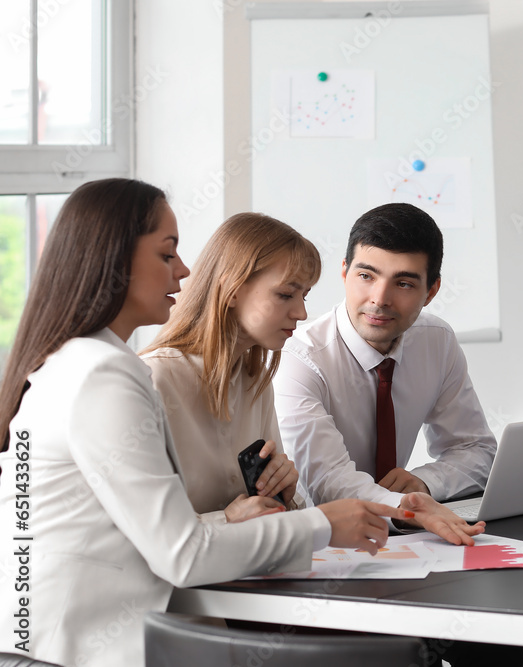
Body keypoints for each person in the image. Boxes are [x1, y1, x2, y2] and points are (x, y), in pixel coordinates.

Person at [0, 179, 415, 667]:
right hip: (67, 649)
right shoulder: (106, 375)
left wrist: (282, 504)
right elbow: (182, 554)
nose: (185, 269)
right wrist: (320, 524)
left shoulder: (78, 363)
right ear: (115, 258)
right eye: (166, 254)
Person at [141, 212, 483, 543]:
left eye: (304, 296)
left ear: (431, 291)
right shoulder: (156, 379)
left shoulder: (255, 376)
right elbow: (147, 531)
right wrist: (412, 511)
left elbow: (278, 512)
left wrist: (285, 496)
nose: (302, 313)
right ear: (232, 289)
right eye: (286, 295)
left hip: (246, 570)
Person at [273, 203, 497, 507]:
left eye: (403, 283)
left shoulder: (437, 341)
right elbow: (327, 482)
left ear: (431, 292)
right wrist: (409, 509)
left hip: (402, 537)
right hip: (322, 537)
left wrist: (426, 483)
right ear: (345, 272)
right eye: (366, 276)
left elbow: (476, 450)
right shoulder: (300, 357)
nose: (380, 299)